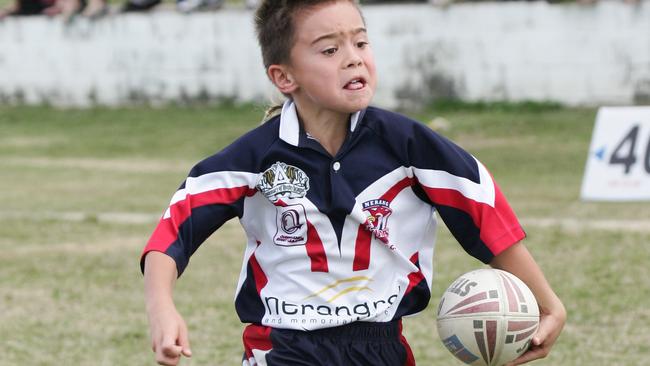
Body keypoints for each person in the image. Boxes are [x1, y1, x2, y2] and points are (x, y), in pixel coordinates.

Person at [141, 1, 567, 365]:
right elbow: (175, 230)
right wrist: (161, 309)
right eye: (329, 49)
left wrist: (547, 301)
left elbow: (484, 215)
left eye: (361, 42)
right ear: (285, 77)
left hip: (382, 348)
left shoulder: (409, 146)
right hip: (282, 346)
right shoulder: (254, 158)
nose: (353, 57)